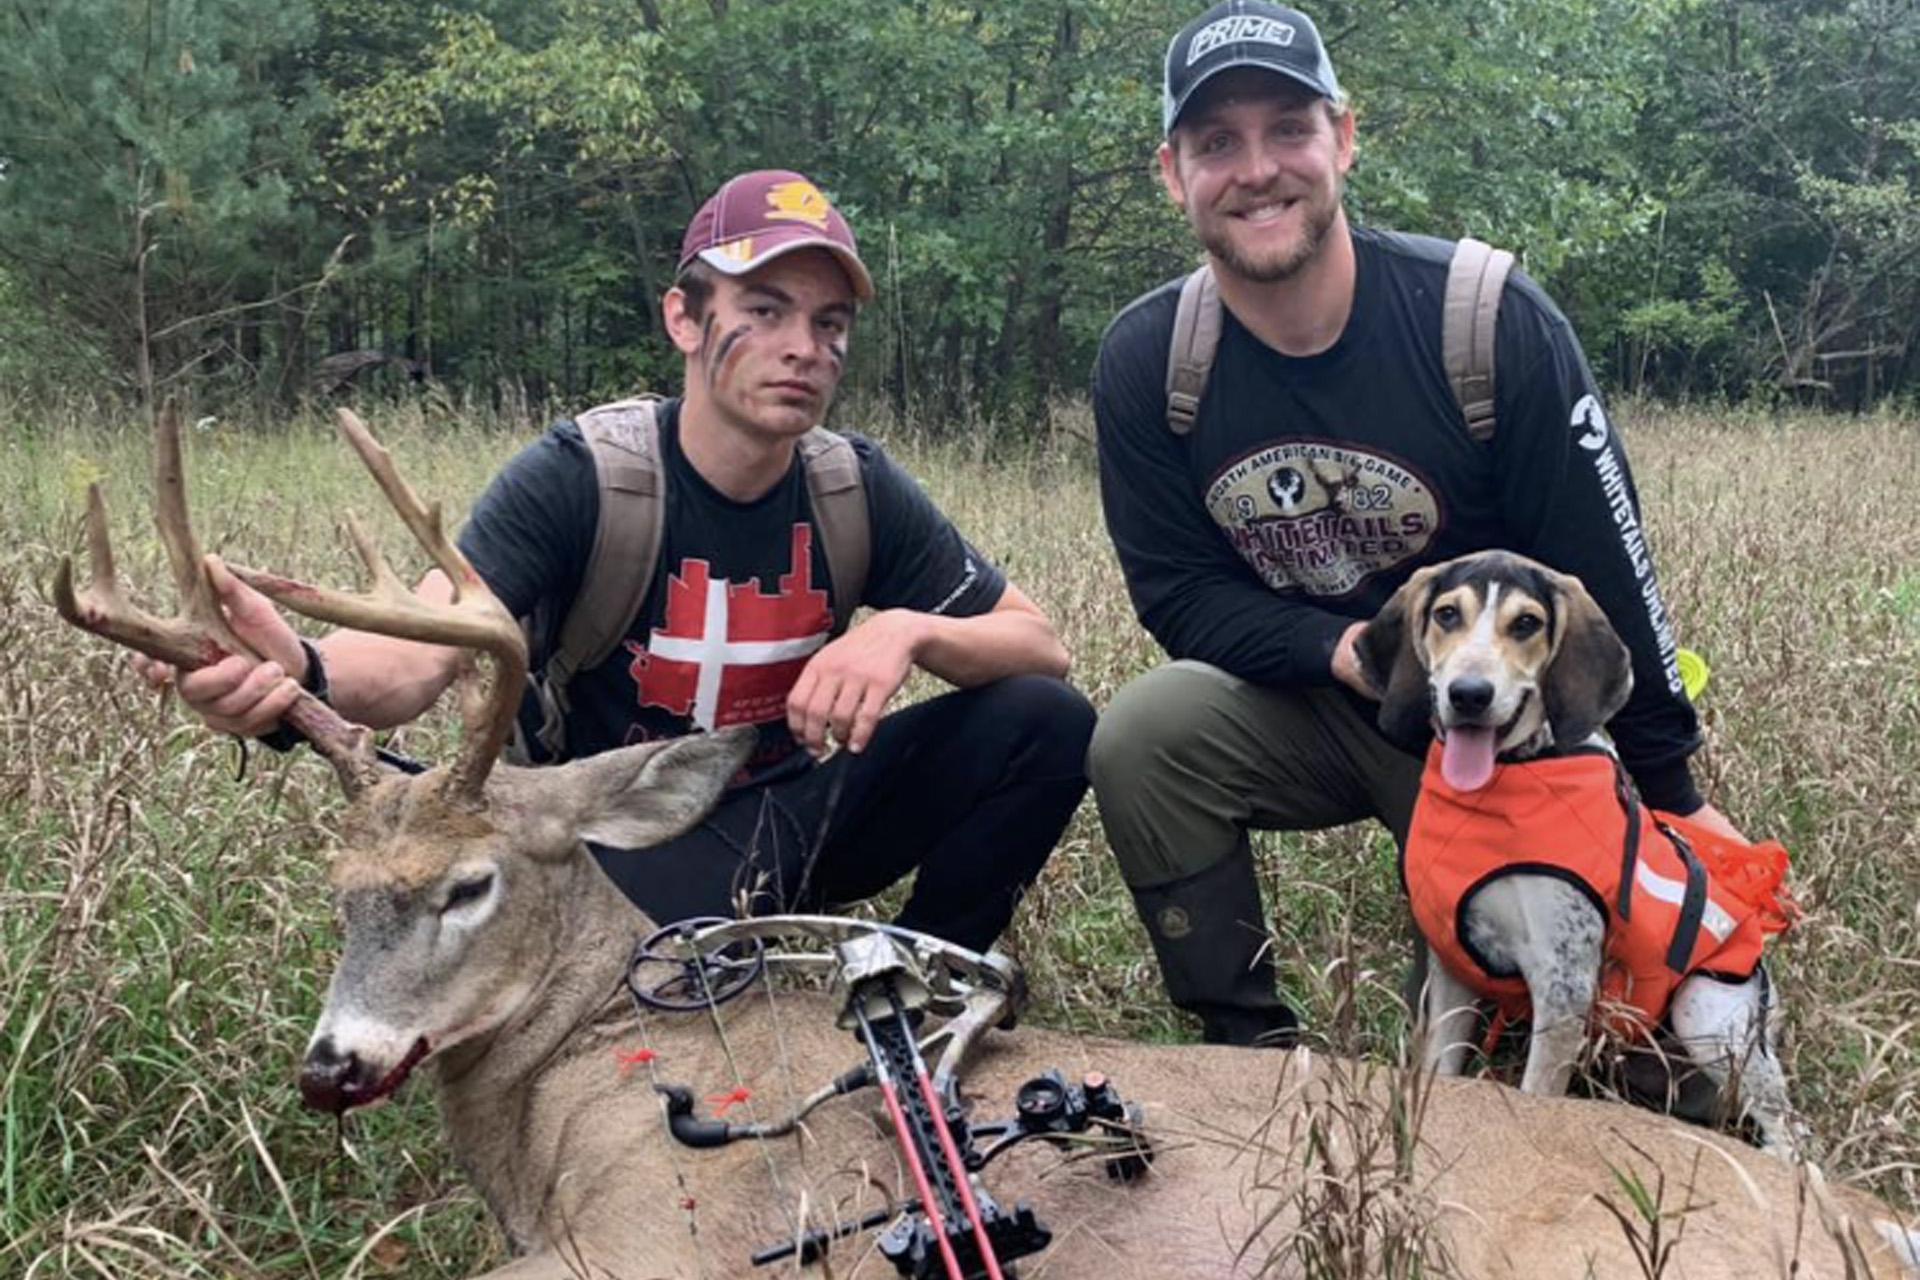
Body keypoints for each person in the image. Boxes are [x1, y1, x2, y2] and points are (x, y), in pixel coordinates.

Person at [145, 169, 1095, 954]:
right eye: (764, 310)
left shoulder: (854, 487)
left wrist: (908, 629)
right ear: (683, 318)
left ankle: (926, 979)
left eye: (830, 322)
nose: (803, 348)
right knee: (665, 1012)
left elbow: (1037, 644)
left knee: (1044, 722)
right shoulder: (584, 478)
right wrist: (298, 672)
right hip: (617, 834)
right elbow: (414, 664)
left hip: (794, 815)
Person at [1086, 2, 1739, 1044]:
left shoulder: (1488, 320)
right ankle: (1245, 1042)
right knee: (1142, 732)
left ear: (1343, 137)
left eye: (1289, 130)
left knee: (1519, 1034)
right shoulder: (1148, 361)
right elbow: (1177, 592)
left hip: (1495, 718)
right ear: (1173, 173)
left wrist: (1672, 790)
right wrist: (1336, 647)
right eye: (1217, 142)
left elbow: (1605, 572)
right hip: (1325, 694)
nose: (1257, 169)